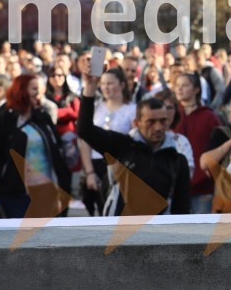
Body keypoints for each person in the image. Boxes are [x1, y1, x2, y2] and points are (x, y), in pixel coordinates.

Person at [78, 74, 190, 215]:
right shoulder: (122, 147)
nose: (158, 127)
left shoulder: (177, 160)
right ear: (137, 123)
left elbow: (182, 208)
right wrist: (90, 87)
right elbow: (85, 130)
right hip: (118, 231)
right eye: (151, 122)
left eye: (163, 121)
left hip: (158, 232)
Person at [0, 74, 71, 218]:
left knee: (46, 237)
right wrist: (2, 176)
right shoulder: (6, 118)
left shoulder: (42, 117)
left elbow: (56, 147)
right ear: (22, 91)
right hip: (15, 192)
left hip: (46, 189)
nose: (38, 93)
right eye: (34, 89)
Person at [78, 67, 135, 216]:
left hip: (121, 165)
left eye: (110, 83)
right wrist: (89, 172)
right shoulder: (96, 108)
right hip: (97, 165)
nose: (106, 87)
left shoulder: (132, 110)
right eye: (103, 83)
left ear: (122, 85)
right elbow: (85, 141)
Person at [172, 72, 221, 214]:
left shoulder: (209, 116)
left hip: (203, 187)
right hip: (176, 187)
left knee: (202, 232)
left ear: (196, 89)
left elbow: (219, 148)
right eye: (177, 86)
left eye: (185, 85)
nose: (179, 89)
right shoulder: (170, 116)